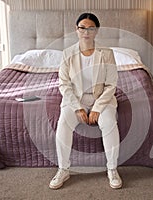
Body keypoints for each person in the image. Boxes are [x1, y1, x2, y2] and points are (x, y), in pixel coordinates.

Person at [49, 13, 122, 189]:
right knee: (63, 124)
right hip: (75, 99)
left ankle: (112, 169)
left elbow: (111, 84)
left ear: (96, 30)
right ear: (77, 29)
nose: (86, 32)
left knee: (110, 123)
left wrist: (97, 108)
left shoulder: (107, 53)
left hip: (102, 99)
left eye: (90, 28)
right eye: (82, 27)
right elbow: (64, 84)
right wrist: (77, 108)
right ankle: (63, 169)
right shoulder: (68, 54)